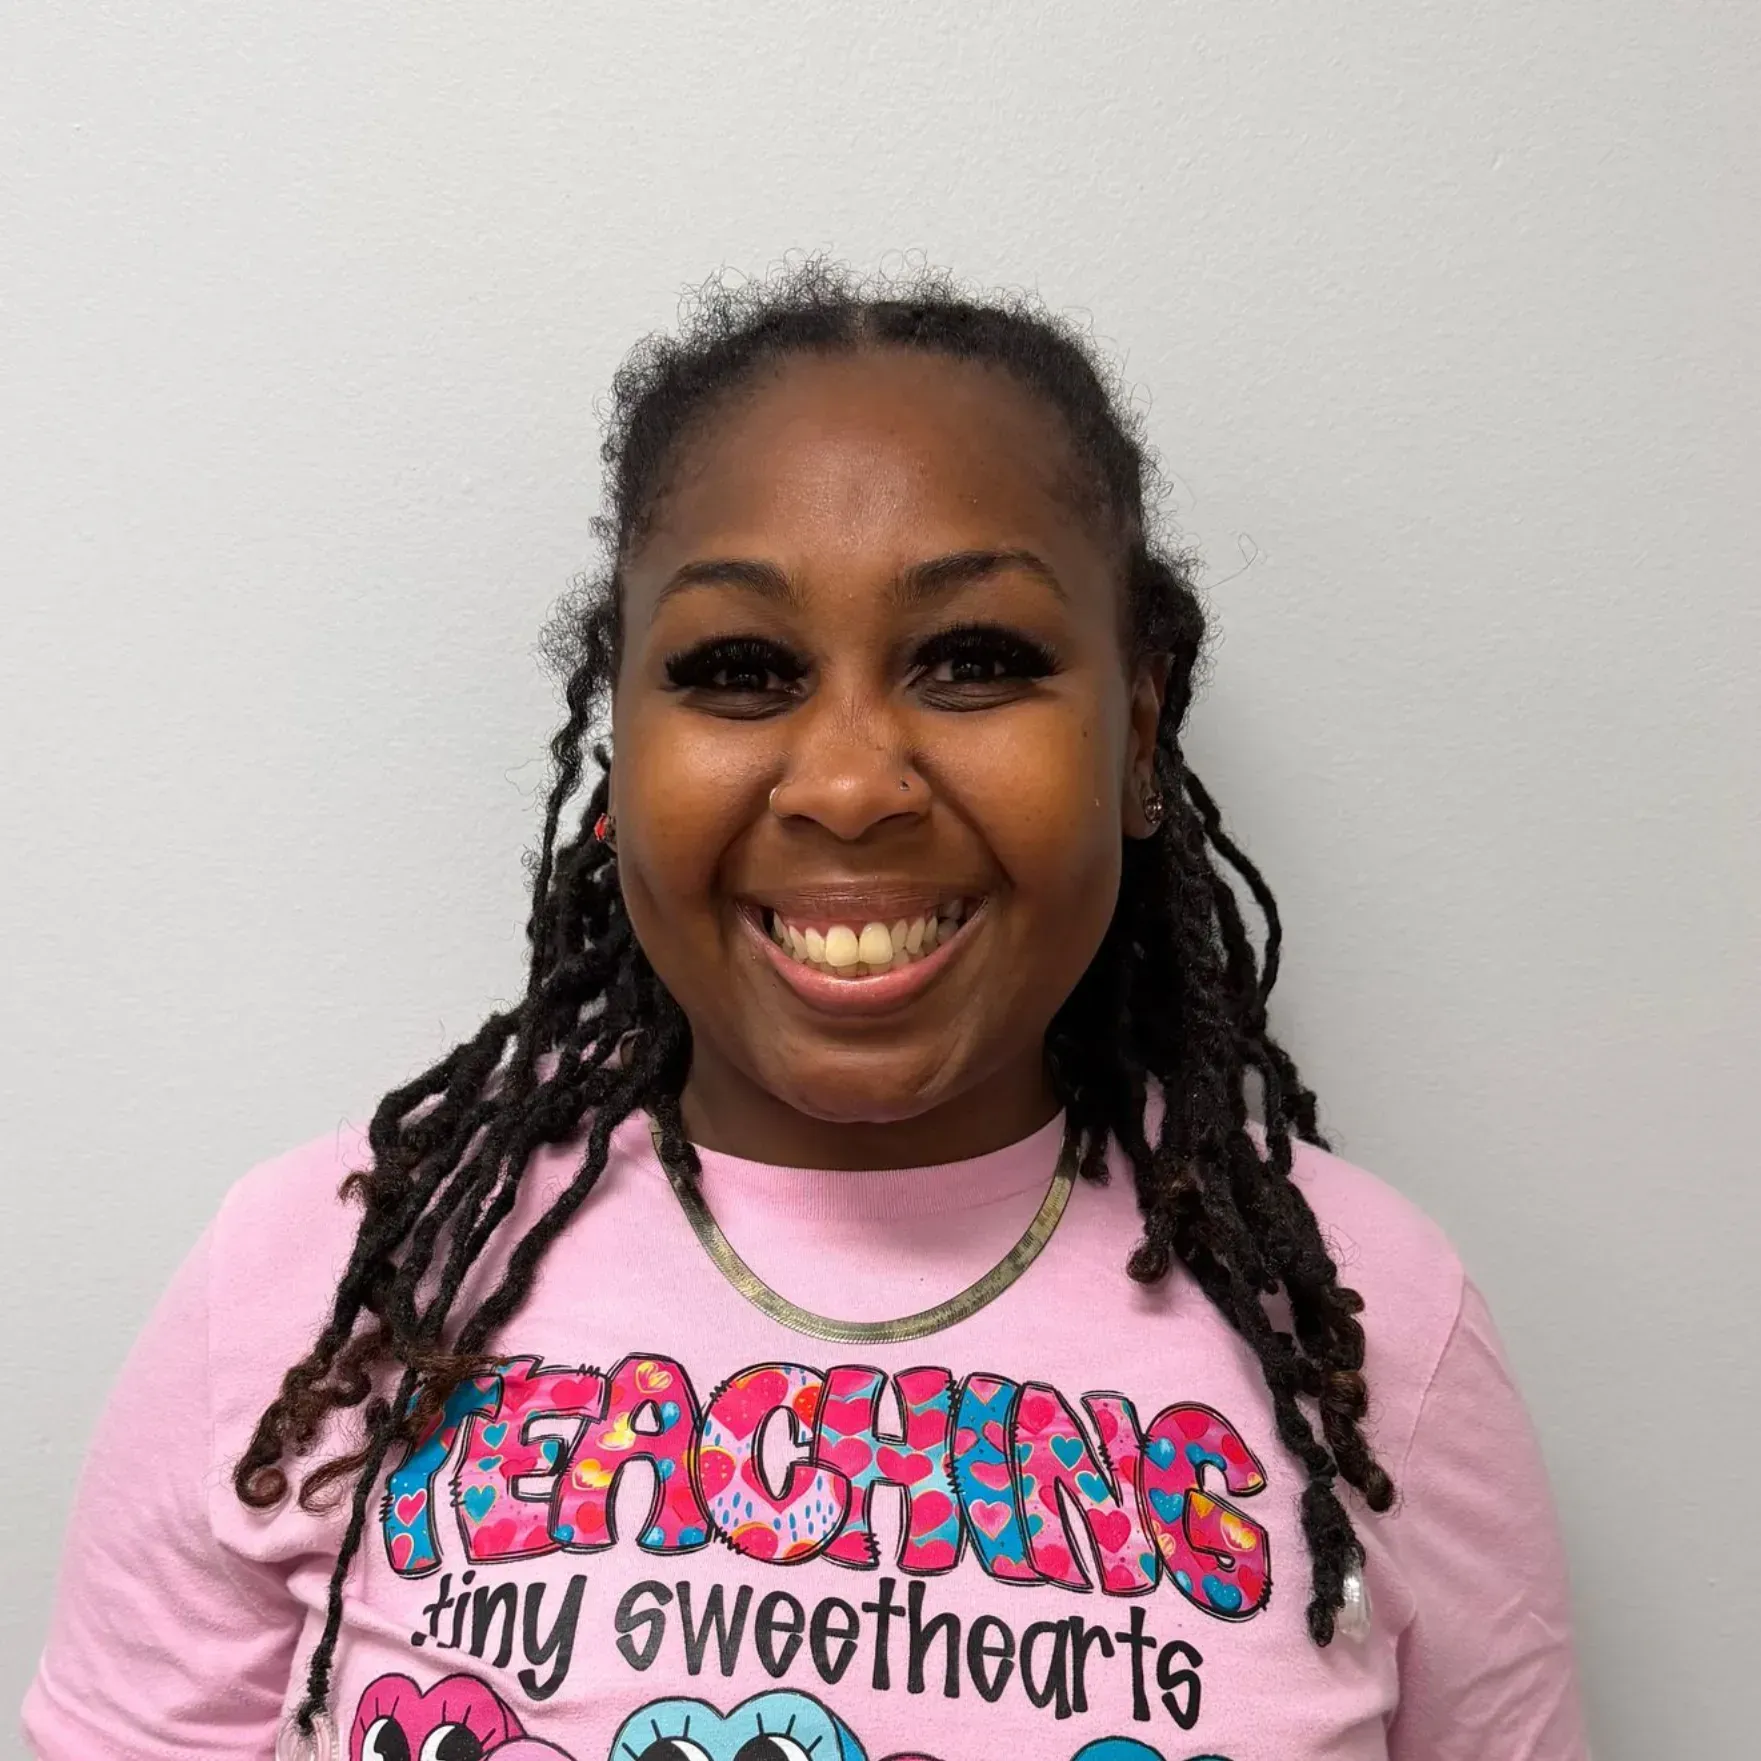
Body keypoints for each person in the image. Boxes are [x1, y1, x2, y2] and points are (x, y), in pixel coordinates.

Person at [22, 264, 1587, 1761]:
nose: (848, 784)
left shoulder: (1367, 1328)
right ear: (618, 752)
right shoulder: (324, 1285)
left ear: (1137, 730)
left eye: (974, 661)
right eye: (741, 669)